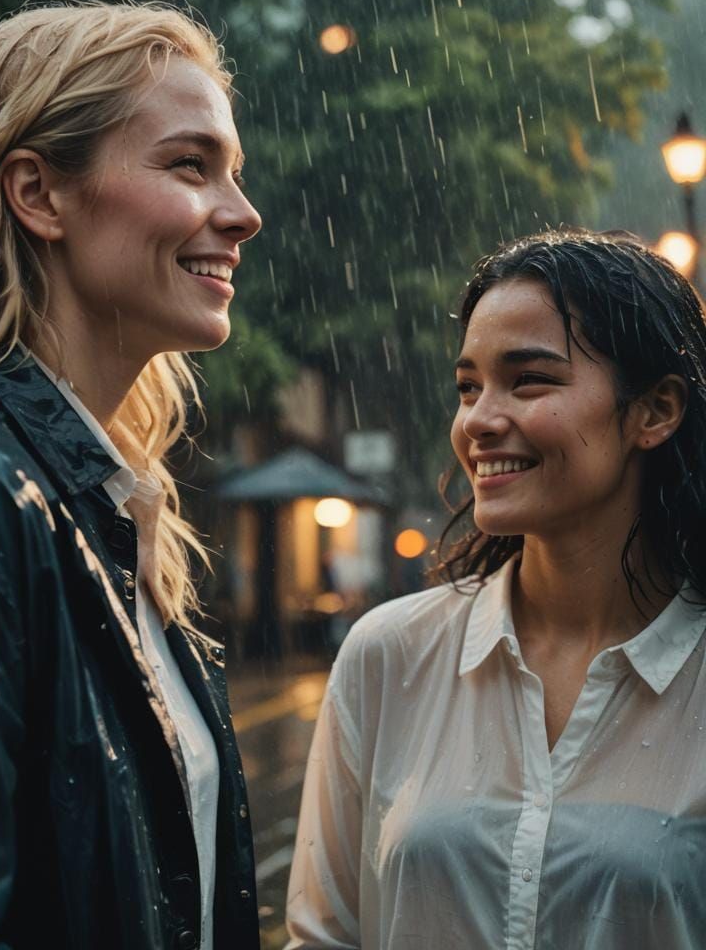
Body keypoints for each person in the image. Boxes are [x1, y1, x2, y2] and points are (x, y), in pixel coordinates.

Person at [0, 0, 263, 950]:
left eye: (231, 172)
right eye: (189, 165)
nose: (243, 215)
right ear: (39, 195)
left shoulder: (113, 499)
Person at [286, 230, 706, 949]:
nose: (478, 421)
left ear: (655, 411)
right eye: (468, 387)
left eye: (529, 380)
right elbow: (324, 936)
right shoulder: (389, 656)